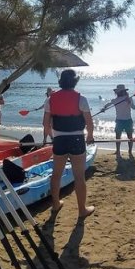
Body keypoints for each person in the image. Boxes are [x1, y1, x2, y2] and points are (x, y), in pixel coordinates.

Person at [42, 69, 95, 218]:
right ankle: (82, 210)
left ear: (61, 82)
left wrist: (54, 137)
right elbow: (89, 123)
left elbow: (45, 124)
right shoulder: (81, 98)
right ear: (75, 81)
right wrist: (90, 135)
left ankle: (56, 204)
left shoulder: (50, 99)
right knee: (79, 176)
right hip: (77, 140)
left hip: (59, 140)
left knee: (56, 175)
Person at [102, 84, 135, 159]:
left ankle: (130, 151)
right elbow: (108, 104)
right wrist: (103, 108)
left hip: (128, 120)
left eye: (118, 92)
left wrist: (129, 102)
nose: (118, 93)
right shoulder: (115, 100)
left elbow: (134, 108)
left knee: (129, 137)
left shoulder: (129, 99)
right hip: (119, 121)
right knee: (118, 137)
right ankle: (118, 151)